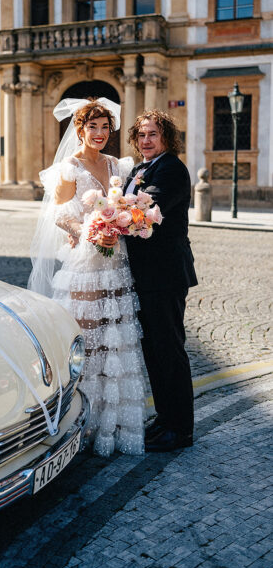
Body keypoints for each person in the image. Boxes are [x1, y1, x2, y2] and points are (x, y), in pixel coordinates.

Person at [28, 98, 146, 457]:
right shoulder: (70, 166)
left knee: (116, 341)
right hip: (86, 264)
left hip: (116, 261)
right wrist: (88, 229)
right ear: (79, 130)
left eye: (105, 127)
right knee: (88, 339)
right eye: (92, 126)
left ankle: (112, 424)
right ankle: (82, 422)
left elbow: (125, 204)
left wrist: (126, 221)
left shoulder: (116, 164)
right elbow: (60, 215)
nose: (99, 133)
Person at [124, 109, 198, 452]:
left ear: (166, 136)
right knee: (153, 349)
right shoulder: (140, 168)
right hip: (145, 275)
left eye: (153, 134)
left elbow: (144, 209)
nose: (146, 140)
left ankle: (180, 429)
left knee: (169, 349)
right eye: (141, 135)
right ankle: (164, 417)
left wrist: (107, 215)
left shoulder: (171, 169)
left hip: (165, 274)